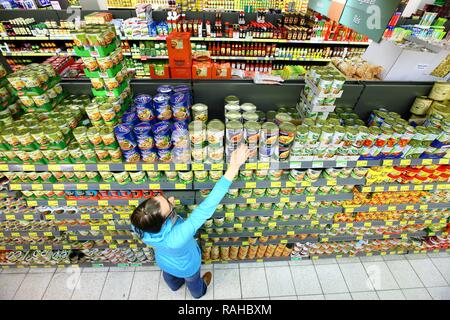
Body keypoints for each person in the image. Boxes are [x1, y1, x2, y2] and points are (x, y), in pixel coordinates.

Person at [130, 144, 250, 299]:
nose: (170, 200)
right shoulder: (179, 236)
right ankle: (199, 292)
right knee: (193, 281)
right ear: (164, 221)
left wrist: (169, 207)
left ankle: (174, 286)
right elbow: (207, 207)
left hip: (164, 261)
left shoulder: (137, 224)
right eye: (169, 205)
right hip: (186, 266)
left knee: (170, 277)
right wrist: (234, 166)